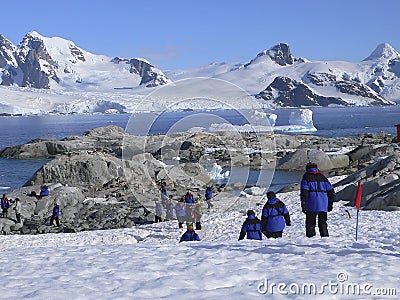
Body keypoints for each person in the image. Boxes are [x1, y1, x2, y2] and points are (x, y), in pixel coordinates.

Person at [300, 162, 335, 238]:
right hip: (323, 203)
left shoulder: (306, 177)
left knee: (310, 223)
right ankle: (325, 237)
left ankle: (311, 238)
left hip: (311, 203)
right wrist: (330, 203)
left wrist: (303, 204)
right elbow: (331, 191)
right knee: (322, 222)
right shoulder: (322, 177)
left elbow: (304, 192)